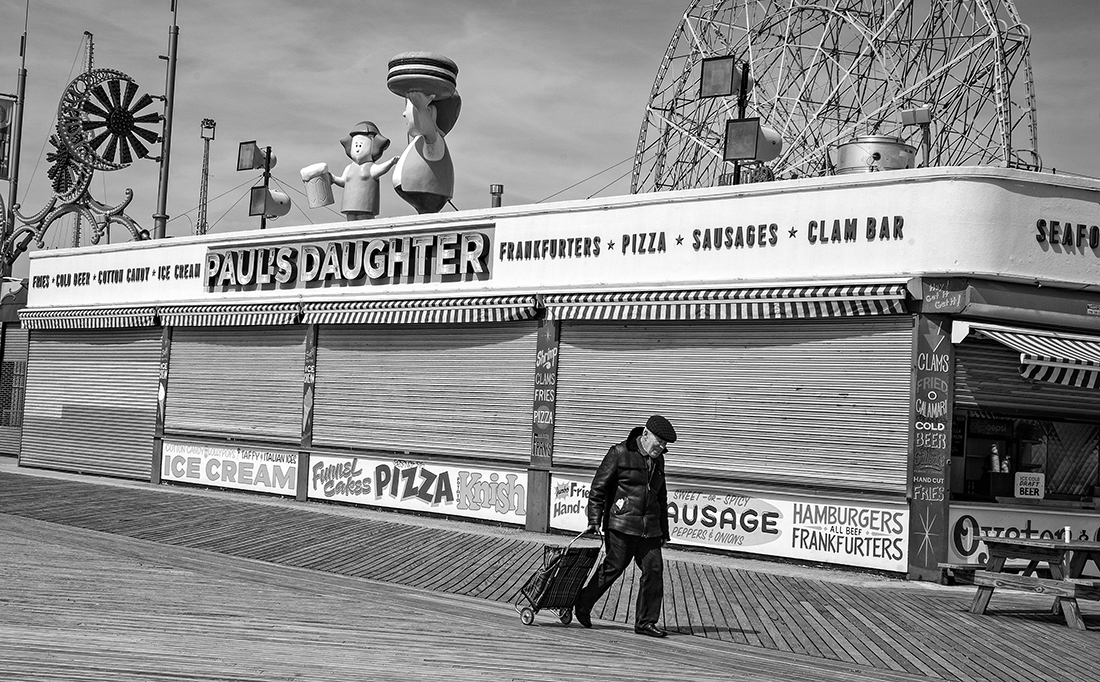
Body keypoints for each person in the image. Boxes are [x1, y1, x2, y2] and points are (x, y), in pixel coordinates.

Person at [573, 414, 676, 638]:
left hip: (649, 528)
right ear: (645, 434)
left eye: (665, 444)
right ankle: (583, 602)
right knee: (614, 568)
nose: (662, 447)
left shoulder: (658, 459)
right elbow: (598, 488)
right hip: (621, 524)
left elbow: (661, 496)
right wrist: (594, 519)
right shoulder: (619, 453)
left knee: (654, 570)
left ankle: (646, 622)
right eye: (659, 441)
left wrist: (664, 531)